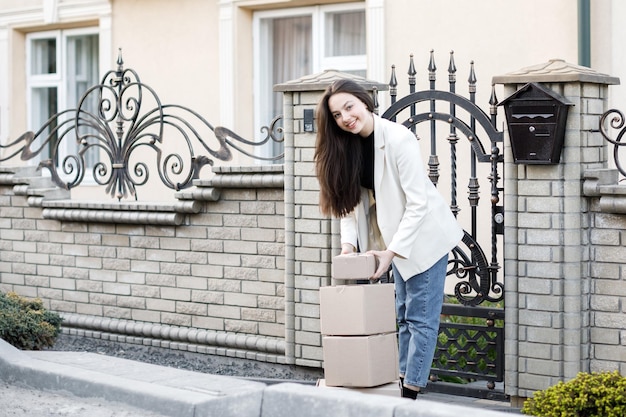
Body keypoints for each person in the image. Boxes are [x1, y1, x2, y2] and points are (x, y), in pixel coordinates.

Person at [314, 79, 464, 399]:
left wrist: (392, 251)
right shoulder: (348, 146)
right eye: (337, 114)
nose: (345, 117)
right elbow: (349, 205)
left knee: (419, 319)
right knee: (401, 316)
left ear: (364, 102)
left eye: (349, 107)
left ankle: (409, 394)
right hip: (393, 242)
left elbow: (418, 203)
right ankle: (398, 382)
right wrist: (348, 246)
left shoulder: (398, 138)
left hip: (424, 238)